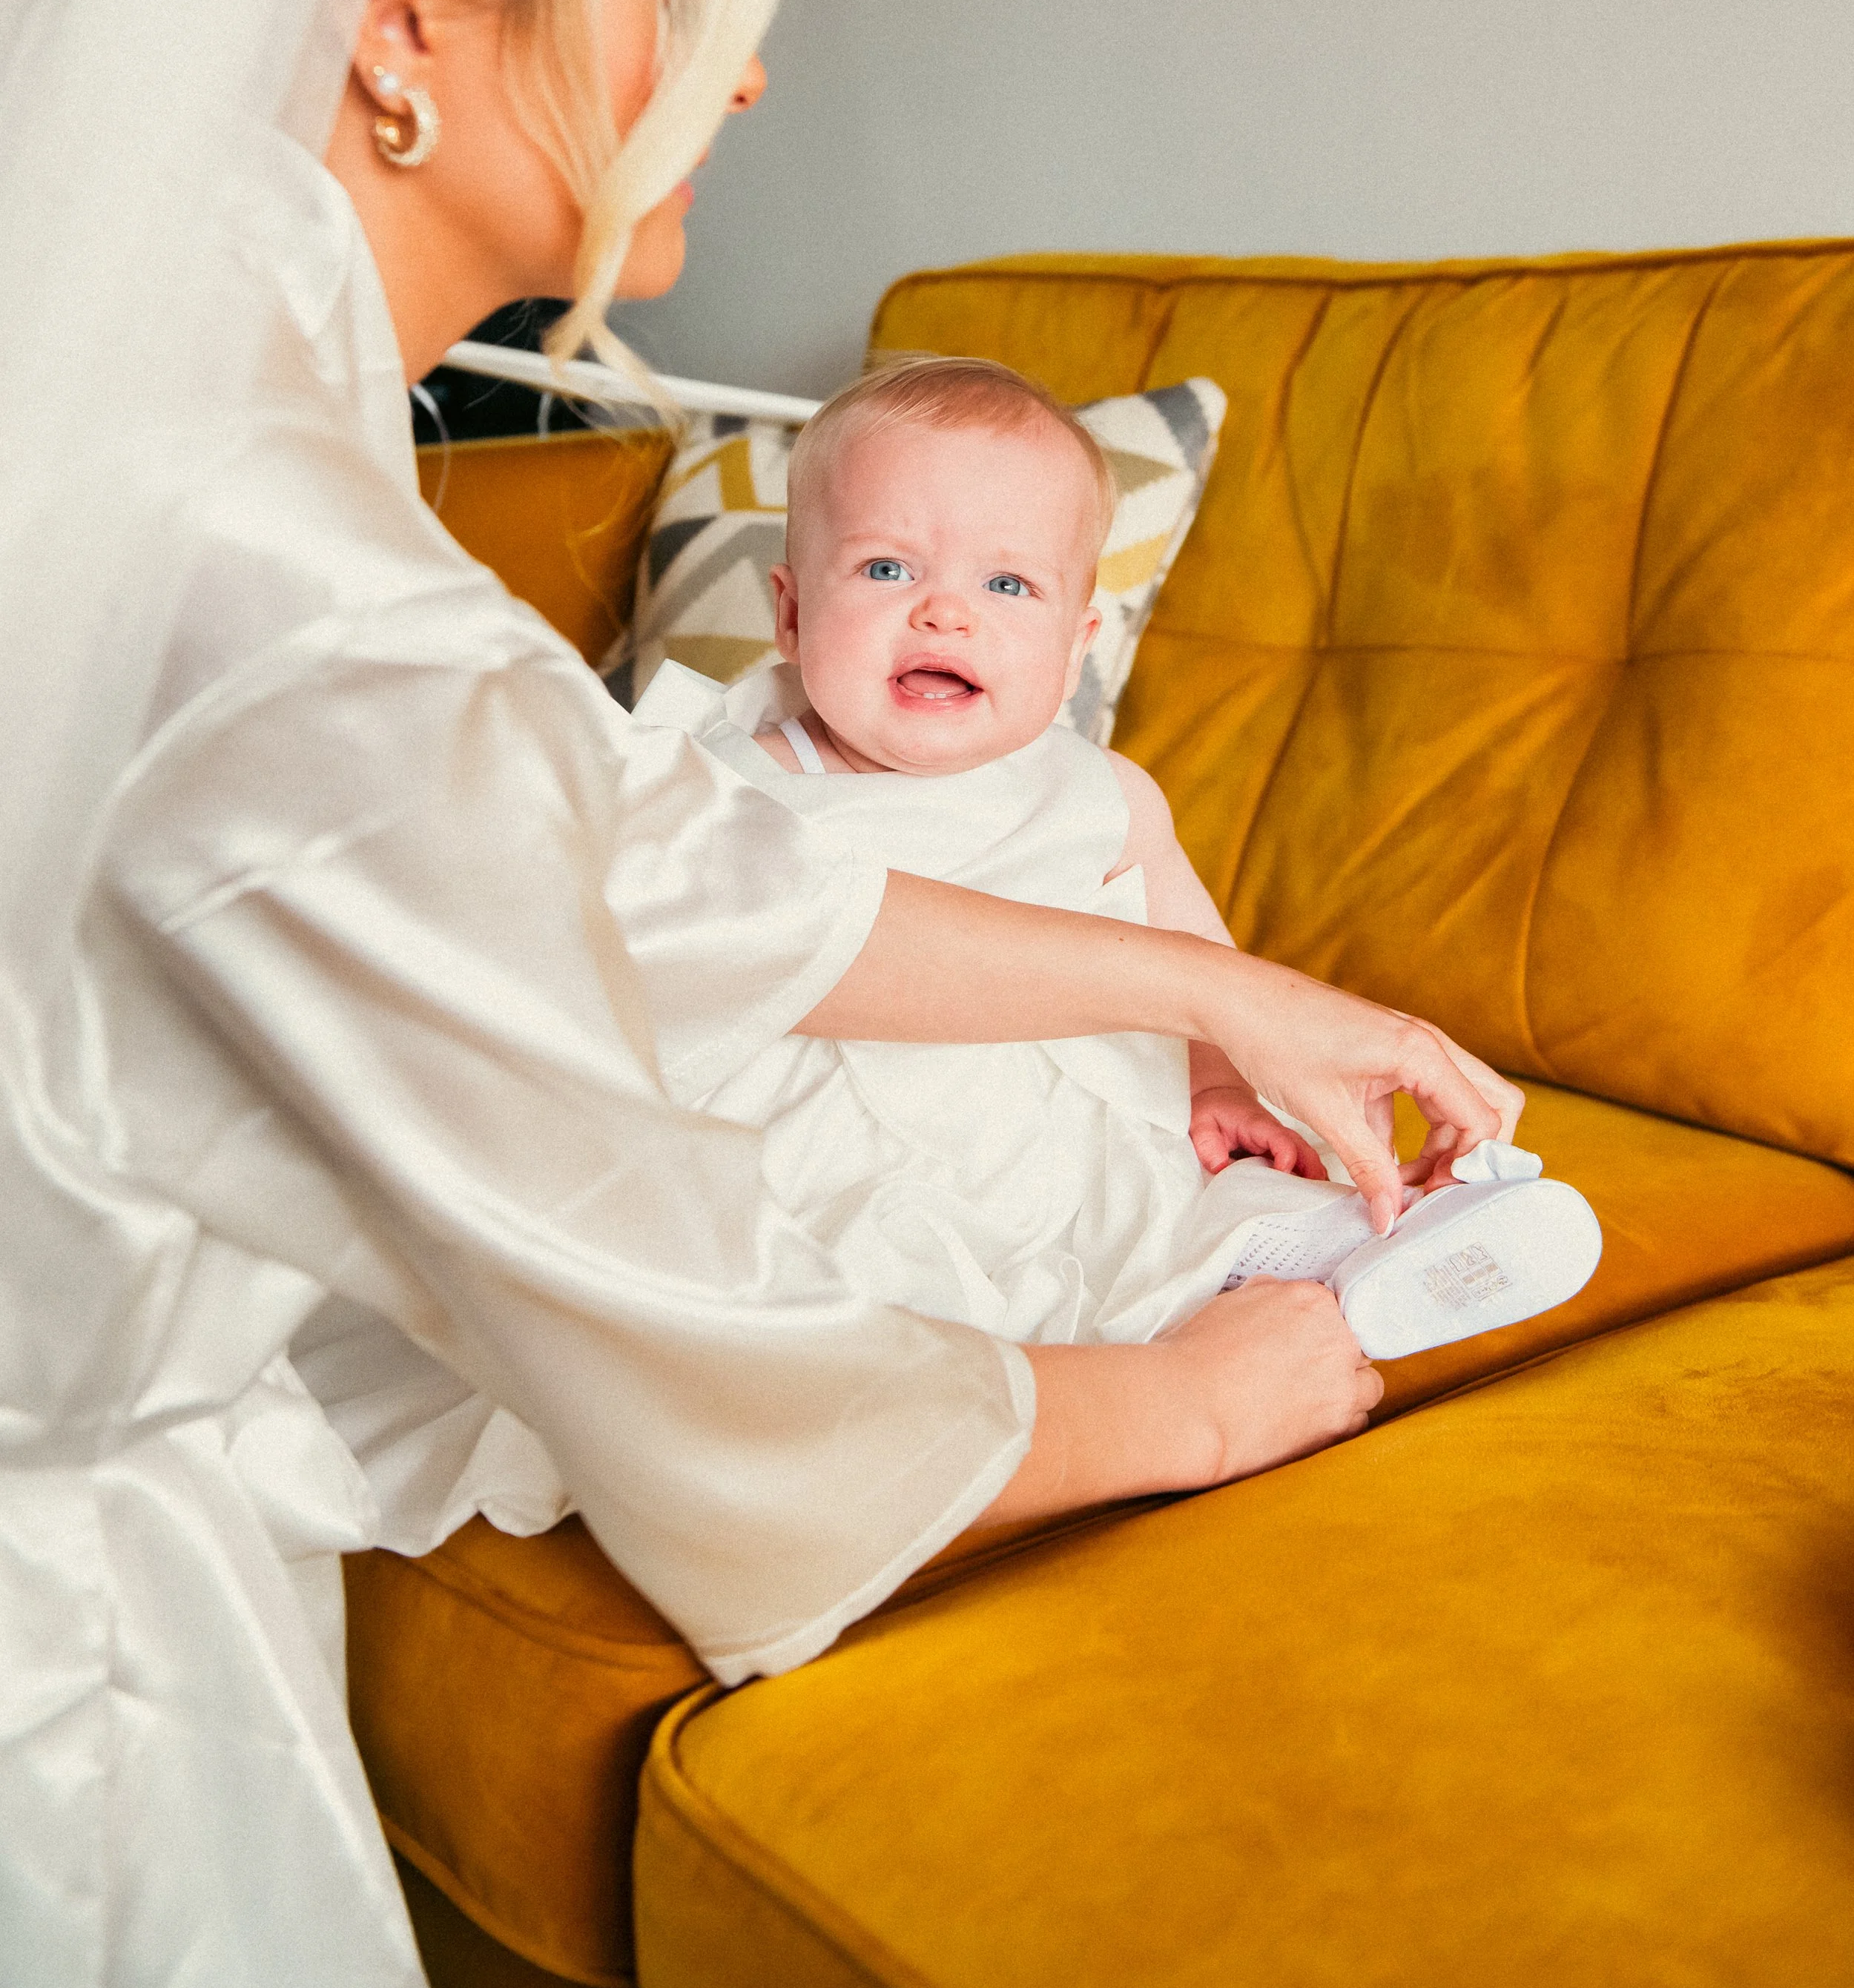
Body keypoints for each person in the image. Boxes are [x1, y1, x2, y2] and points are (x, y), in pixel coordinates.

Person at [0, 0, 1520, 1988]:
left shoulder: (180, 414)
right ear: (405, 26)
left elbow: (665, 877)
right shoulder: (280, 570)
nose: (753, 66)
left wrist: (1223, 985)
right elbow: (708, 1343)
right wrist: (1181, 1395)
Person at [633, 354, 1601, 1356]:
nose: (945, 611)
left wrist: (1221, 1084)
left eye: (1007, 583)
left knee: (1199, 1200)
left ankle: (1366, 1252)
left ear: (1075, 647)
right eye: (888, 568)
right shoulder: (730, 784)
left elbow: (1206, 961)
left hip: (1063, 1141)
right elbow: (729, 948)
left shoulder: (1097, 794)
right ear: (790, 615)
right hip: (833, 1154)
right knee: (871, 1271)